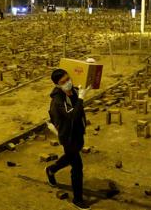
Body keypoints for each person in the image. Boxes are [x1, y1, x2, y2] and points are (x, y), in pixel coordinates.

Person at [46, 69, 91, 210]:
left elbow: (89, 79)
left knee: (70, 157)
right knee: (77, 167)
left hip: (78, 133)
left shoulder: (73, 91)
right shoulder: (57, 101)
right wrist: (81, 98)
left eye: (67, 79)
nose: (67, 83)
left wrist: (90, 66)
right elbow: (72, 116)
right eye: (63, 82)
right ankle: (77, 199)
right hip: (68, 137)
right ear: (57, 85)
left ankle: (51, 169)